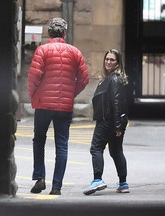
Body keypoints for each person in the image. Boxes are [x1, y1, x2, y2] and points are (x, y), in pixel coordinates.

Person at [28, 17, 89, 195]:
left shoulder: (42, 50)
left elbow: (34, 77)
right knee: (61, 144)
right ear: (64, 32)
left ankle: (39, 178)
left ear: (49, 33)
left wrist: (34, 95)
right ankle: (56, 187)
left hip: (43, 105)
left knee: (39, 140)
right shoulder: (75, 52)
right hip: (64, 107)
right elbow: (84, 79)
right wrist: (71, 93)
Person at [83, 49, 129, 195]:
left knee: (96, 148)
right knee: (116, 151)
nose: (108, 62)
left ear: (118, 63)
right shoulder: (109, 78)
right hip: (114, 121)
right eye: (107, 59)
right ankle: (123, 183)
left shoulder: (114, 79)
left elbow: (116, 103)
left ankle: (97, 179)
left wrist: (117, 126)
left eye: (112, 60)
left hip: (107, 121)